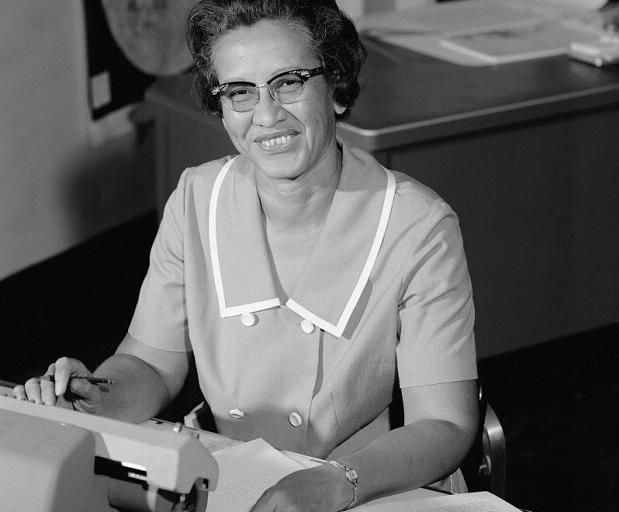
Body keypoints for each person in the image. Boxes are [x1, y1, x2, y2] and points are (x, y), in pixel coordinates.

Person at [14, 1, 479, 510]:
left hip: (366, 483)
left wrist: (338, 482)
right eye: (240, 91)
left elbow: (445, 422)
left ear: (337, 88)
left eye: (290, 82)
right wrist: (94, 396)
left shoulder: (418, 225)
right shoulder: (196, 197)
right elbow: (149, 362)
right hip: (224, 473)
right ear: (221, 109)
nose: (267, 114)